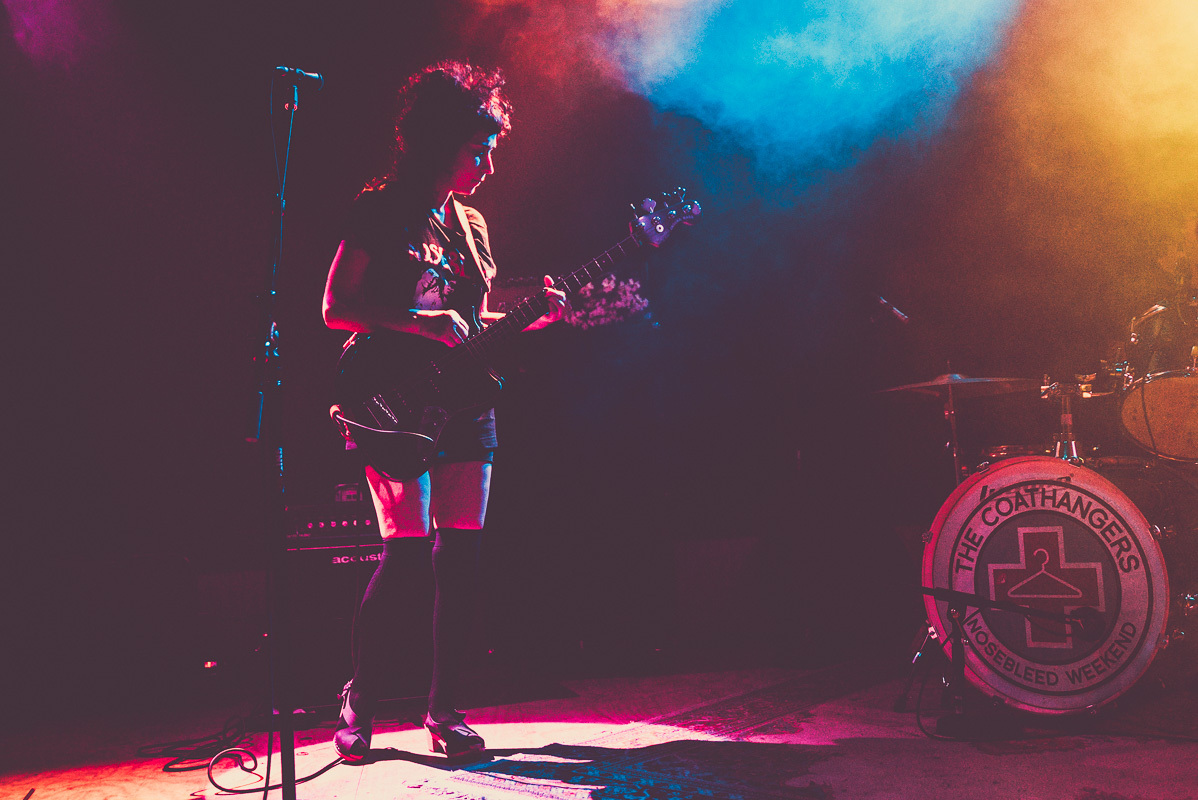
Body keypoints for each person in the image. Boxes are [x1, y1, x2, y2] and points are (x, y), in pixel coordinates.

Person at [321, 60, 566, 762]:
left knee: (461, 557)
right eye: (477, 150)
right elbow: (336, 306)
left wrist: (532, 318)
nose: (488, 164)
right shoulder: (380, 207)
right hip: (389, 401)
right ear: (439, 142)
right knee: (405, 558)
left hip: (466, 400)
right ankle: (359, 703)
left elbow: (473, 316)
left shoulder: (474, 223)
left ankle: (445, 711)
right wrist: (420, 325)